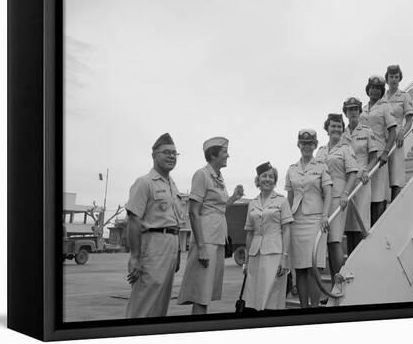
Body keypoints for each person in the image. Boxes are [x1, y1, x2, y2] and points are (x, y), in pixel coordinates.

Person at [177, 137, 244, 314]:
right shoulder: (202, 175)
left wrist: (235, 197)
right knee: (201, 294)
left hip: (217, 239)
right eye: (224, 152)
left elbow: (219, 207)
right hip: (206, 240)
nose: (228, 155)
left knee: (206, 294)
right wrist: (201, 247)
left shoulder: (218, 177)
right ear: (213, 155)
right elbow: (193, 211)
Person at [124, 133, 184, 318]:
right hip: (152, 247)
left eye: (175, 153)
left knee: (161, 305)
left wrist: (178, 252)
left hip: (171, 247)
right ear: (154, 155)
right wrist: (135, 256)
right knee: (144, 302)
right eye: (166, 152)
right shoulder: (144, 183)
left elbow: (175, 223)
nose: (171, 156)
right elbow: (133, 220)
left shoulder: (172, 186)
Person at [285, 129, 332, 308]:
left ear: (314, 145)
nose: (307, 146)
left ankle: (314, 308)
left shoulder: (321, 166)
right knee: (301, 269)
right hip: (296, 221)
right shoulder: (292, 169)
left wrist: (325, 215)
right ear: (299, 145)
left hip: (316, 221)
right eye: (303, 143)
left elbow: (328, 193)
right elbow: (290, 197)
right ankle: (304, 308)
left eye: (310, 143)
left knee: (314, 268)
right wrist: (286, 220)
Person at [242, 162, 293, 311]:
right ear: (258, 180)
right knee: (254, 296)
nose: (268, 179)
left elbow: (287, 230)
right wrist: (246, 261)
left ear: (275, 180)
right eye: (264, 176)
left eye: (271, 176)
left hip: (274, 253)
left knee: (272, 297)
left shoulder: (282, 201)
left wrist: (285, 257)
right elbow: (249, 233)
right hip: (255, 255)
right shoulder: (252, 204)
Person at [315, 114, 358, 282]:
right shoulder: (321, 151)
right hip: (320, 200)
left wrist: (346, 194)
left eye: (339, 126)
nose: (336, 129)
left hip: (337, 198)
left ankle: (340, 284)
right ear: (327, 129)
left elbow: (353, 173)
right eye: (333, 126)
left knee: (334, 241)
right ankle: (334, 284)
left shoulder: (346, 148)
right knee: (326, 243)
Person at [341, 97, 379, 254]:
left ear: (359, 111)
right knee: (348, 221)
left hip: (361, 180)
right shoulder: (342, 134)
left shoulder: (367, 131)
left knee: (361, 220)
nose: (353, 112)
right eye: (350, 109)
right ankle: (350, 255)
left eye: (355, 109)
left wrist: (367, 172)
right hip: (346, 181)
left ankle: (362, 254)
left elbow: (374, 157)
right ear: (346, 113)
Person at [359, 75, 397, 226]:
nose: (374, 90)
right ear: (368, 89)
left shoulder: (385, 107)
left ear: (382, 91)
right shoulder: (362, 110)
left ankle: (378, 226)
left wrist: (386, 152)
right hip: (364, 156)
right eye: (372, 87)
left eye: (378, 88)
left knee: (378, 193)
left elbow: (392, 131)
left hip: (379, 154)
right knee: (365, 193)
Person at [383, 65, 413, 201]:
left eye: (396, 77)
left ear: (399, 78)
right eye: (391, 77)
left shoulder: (404, 96)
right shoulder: (382, 97)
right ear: (387, 78)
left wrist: (402, 132)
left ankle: (394, 205)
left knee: (395, 176)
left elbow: (409, 120)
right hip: (381, 137)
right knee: (383, 175)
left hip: (396, 137)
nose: (394, 80)